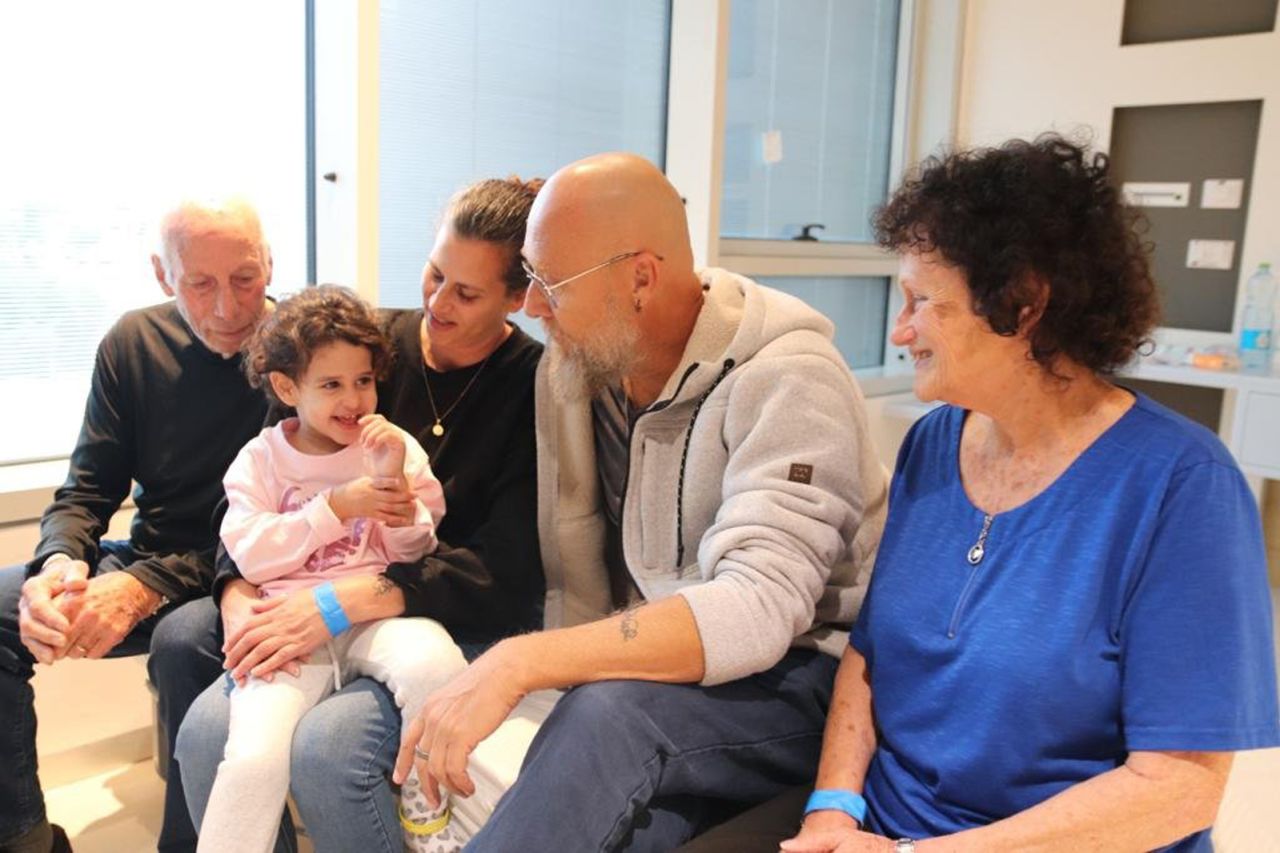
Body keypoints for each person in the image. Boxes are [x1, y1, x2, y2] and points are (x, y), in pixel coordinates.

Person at [776, 136, 1280, 853]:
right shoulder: (932, 443)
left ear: (1022, 304)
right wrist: (831, 810)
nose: (901, 330)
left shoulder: (1182, 488)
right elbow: (873, 651)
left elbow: (1179, 787)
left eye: (922, 301)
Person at [392, 152, 890, 851]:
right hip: (673, 676)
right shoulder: (583, 368)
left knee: (611, 717)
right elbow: (579, 570)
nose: (532, 308)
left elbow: (757, 609)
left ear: (641, 279)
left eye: (550, 284)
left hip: (803, 675)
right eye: (530, 278)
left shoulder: (788, 381)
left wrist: (520, 662)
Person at [174, 177, 546, 852]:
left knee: (325, 748)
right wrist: (238, 595)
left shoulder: (531, 389)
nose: (437, 302)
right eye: (435, 274)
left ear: (517, 297)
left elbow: (505, 568)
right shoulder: (362, 344)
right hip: (289, 592)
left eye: (466, 292)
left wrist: (346, 598)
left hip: (436, 610)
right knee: (204, 734)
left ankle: (429, 812)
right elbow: (255, 495)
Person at [0, 198, 274, 853]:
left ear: (270, 263)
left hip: (259, 571)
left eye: (245, 278)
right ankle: (24, 837)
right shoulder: (133, 342)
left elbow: (282, 525)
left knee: (184, 638)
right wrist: (60, 564)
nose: (227, 308)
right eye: (199, 283)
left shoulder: (298, 348)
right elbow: (87, 489)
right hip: (152, 558)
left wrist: (147, 584)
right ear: (161, 274)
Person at [196, 285, 464, 853]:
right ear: (287, 388)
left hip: (371, 616)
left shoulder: (396, 448)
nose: (354, 400)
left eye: (363, 381)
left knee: (436, 661)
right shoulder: (262, 459)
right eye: (331, 385)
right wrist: (335, 508)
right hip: (286, 629)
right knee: (253, 759)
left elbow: (416, 552)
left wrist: (392, 485)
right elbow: (250, 553)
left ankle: (423, 795)